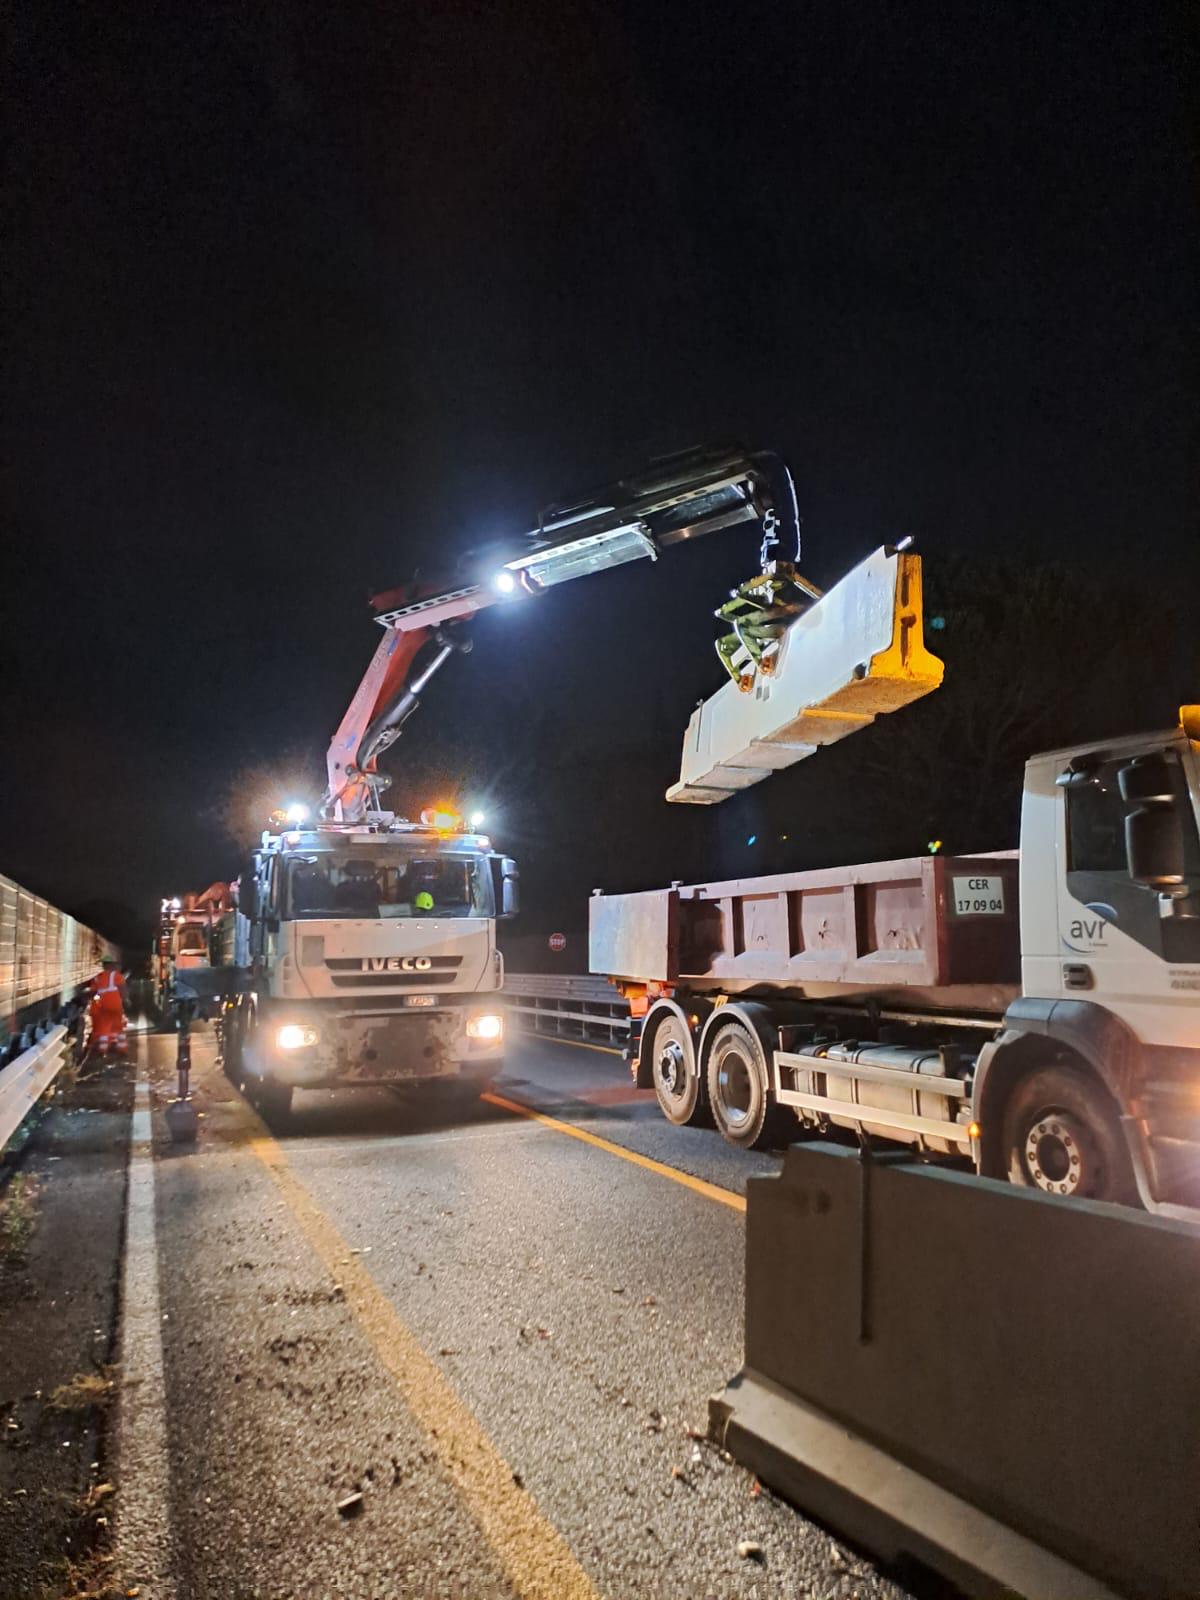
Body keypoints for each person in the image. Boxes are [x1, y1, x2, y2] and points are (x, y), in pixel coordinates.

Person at [88, 955, 129, 1057]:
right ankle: (122, 1050)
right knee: (118, 1028)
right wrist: (126, 1000)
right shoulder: (116, 976)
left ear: (104, 965)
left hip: (103, 1007)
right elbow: (123, 989)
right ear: (111, 965)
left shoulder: (97, 978)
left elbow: (93, 992)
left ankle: (102, 1051)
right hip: (115, 1006)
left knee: (104, 1029)